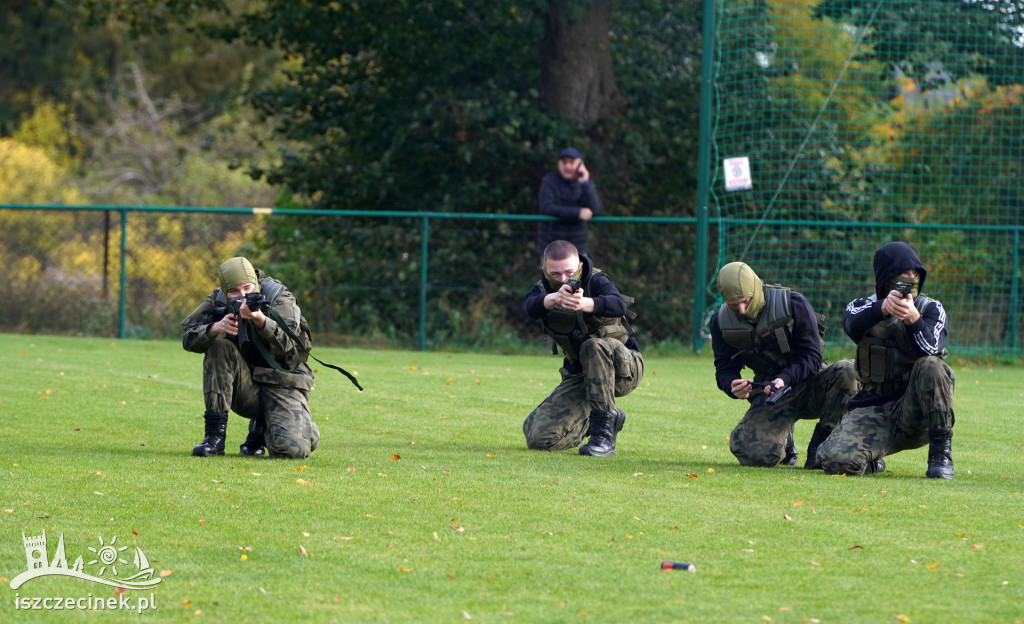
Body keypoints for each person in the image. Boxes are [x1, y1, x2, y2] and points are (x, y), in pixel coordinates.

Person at [817, 242, 955, 478]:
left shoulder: (931, 309)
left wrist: (913, 320)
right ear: (887, 278)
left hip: (917, 414)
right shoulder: (862, 306)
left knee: (931, 364)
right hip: (873, 410)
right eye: (905, 273)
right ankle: (872, 462)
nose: (911, 278)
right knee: (834, 461)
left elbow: (932, 347)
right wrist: (883, 308)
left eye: (915, 273)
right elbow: (851, 325)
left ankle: (940, 454)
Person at [709, 262, 858, 469]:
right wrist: (731, 385)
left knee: (848, 370)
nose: (742, 310)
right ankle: (785, 445)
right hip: (771, 395)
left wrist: (785, 378)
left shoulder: (793, 303)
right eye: (734, 306)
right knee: (754, 456)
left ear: (754, 288)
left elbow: (812, 356)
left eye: (746, 302)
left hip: (811, 384)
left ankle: (822, 446)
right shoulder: (720, 322)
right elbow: (724, 369)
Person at [181, 257, 320, 459]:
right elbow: (187, 337)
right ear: (225, 291)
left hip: (282, 383)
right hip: (247, 384)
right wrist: (215, 328)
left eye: (248, 288)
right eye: (234, 292)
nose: (243, 296)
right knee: (219, 348)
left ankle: (266, 429)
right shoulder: (219, 299)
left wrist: (260, 320)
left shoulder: (278, 296)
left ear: (255, 282)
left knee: (292, 450)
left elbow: (289, 343)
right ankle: (214, 438)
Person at [522, 240, 643, 456]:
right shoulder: (543, 289)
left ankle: (602, 436)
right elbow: (529, 307)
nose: (562, 279)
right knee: (538, 438)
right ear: (545, 271)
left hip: (623, 368)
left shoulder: (596, 279)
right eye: (555, 274)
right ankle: (608, 416)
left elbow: (618, 304)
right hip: (583, 375)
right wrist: (552, 299)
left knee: (593, 345)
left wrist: (585, 304)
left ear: (579, 264)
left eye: (569, 272)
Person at [536, 147, 603, 257]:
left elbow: (596, 209)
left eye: (571, 162)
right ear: (559, 164)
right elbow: (546, 207)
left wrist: (586, 183)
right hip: (551, 246)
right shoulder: (549, 180)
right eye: (564, 162)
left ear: (580, 164)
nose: (567, 166)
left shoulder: (584, 183)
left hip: (577, 248)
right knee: (552, 274)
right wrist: (577, 212)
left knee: (580, 274)